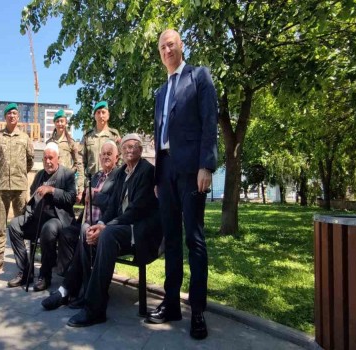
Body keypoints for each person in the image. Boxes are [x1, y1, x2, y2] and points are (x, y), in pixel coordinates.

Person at [147, 29, 218, 340]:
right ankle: (172, 303)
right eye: (162, 47)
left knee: (194, 239)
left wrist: (207, 165)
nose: (166, 50)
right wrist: (157, 177)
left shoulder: (199, 76)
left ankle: (198, 310)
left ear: (181, 46)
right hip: (166, 172)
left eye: (171, 44)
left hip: (191, 169)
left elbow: (209, 120)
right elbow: (159, 134)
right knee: (171, 240)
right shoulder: (160, 92)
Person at [54, 134, 162, 327]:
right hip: (121, 227)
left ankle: (95, 309)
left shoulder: (147, 171)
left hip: (140, 232)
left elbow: (136, 210)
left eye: (134, 146)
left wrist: (105, 227)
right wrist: (101, 223)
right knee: (89, 233)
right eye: (126, 146)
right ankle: (88, 296)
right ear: (122, 151)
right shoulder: (122, 173)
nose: (130, 149)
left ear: (140, 149)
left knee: (107, 234)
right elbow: (112, 206)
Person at [41, 140, 121, 310]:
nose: (105, 156)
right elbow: (87, 198)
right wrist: (86, 193)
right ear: (99, 157)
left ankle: (73, 291)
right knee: (67, 233)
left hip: (104, 226)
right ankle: (73, 285)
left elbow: (115, 204)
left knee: (84, 234)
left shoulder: (118, 176)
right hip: (86, 221)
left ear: (116, 157)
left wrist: (94, 196)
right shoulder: (97, 175)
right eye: (103, 154)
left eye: (109, 154)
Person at [7, 142, 77, 291]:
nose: (48, 161)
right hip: (37, 219)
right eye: (45, 158)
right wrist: (28, 213)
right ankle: (26, 271)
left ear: (58, 158)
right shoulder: (39, 175)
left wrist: (52, 190)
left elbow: (71, 198)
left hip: (58, 221)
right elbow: (33, 197)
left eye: (51, 158)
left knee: (48, 228)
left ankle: (45, 276)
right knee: (14, 225)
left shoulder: (67, 174)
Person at [0, 103, 34, 273]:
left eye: (15, 113)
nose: (12, 116)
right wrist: (2, 174)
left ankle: (21, 257)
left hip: (20, 187)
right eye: (9, 113)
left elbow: (29, 161)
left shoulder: (25, 138)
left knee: (21, 223)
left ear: (18, 117)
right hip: (1, 187)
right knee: (0, 222)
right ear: (5, 117)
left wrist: (19, 174)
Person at [82, 102, 121, 195]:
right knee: (90, 209)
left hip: (110, 182)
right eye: (98, 112)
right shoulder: (87, 136)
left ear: (108, 115)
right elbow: (81, 161)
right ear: (94, 116)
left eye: (103, 112)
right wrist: (82, 185)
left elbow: (120, 159)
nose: (101, 115)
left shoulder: (114, 135)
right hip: (91, 182)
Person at [47, 109, 84, 202]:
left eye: (62, 121)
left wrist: (80, 189)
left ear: (66, 122)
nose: (60, 124)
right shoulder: (49, 142)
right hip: (51, 181)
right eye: (57, 121)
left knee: (66, 211)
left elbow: (78, 164)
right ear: (54, 123)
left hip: (66, 183)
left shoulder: (71, 142)